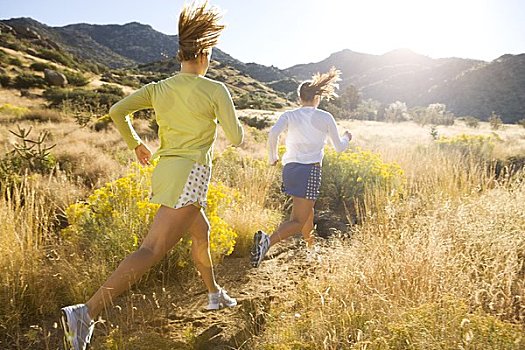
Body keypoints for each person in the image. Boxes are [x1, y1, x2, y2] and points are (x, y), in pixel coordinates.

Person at [60, 2, 244, 349]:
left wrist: (136, 144)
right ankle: (86, 311)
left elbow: (117, 111)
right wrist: (224, 122)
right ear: (205, 55)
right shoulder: (216, 90)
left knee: (200, 231)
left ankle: (214, 293)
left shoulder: (159, 88)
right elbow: (236, 138)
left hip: (168, 172)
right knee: (152, 248)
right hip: (191, 174)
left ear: (180, 55)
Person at [251, 67, 351, 268]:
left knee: (307, 212)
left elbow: (272, 135)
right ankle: (267, 242)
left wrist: (272, 157)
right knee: (297, 220)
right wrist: (347, 138)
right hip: (310, 170)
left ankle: (311, 248)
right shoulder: (325, 117)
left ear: (299, 98)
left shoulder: (289, 115)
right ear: (317, 98)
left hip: (290, 170)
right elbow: (339, 148)